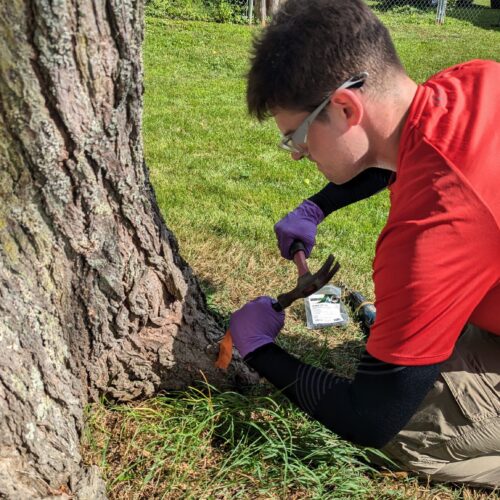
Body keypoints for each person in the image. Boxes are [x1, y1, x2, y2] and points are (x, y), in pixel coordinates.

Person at [228, 0, 500, 489]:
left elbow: (370, 417)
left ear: (346, 107)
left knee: (411, 427)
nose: (298, 155)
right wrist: (317, 206)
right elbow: (388, 151)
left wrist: (259, 350)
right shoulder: (473, 81)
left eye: (297, 139)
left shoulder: (431, 233)